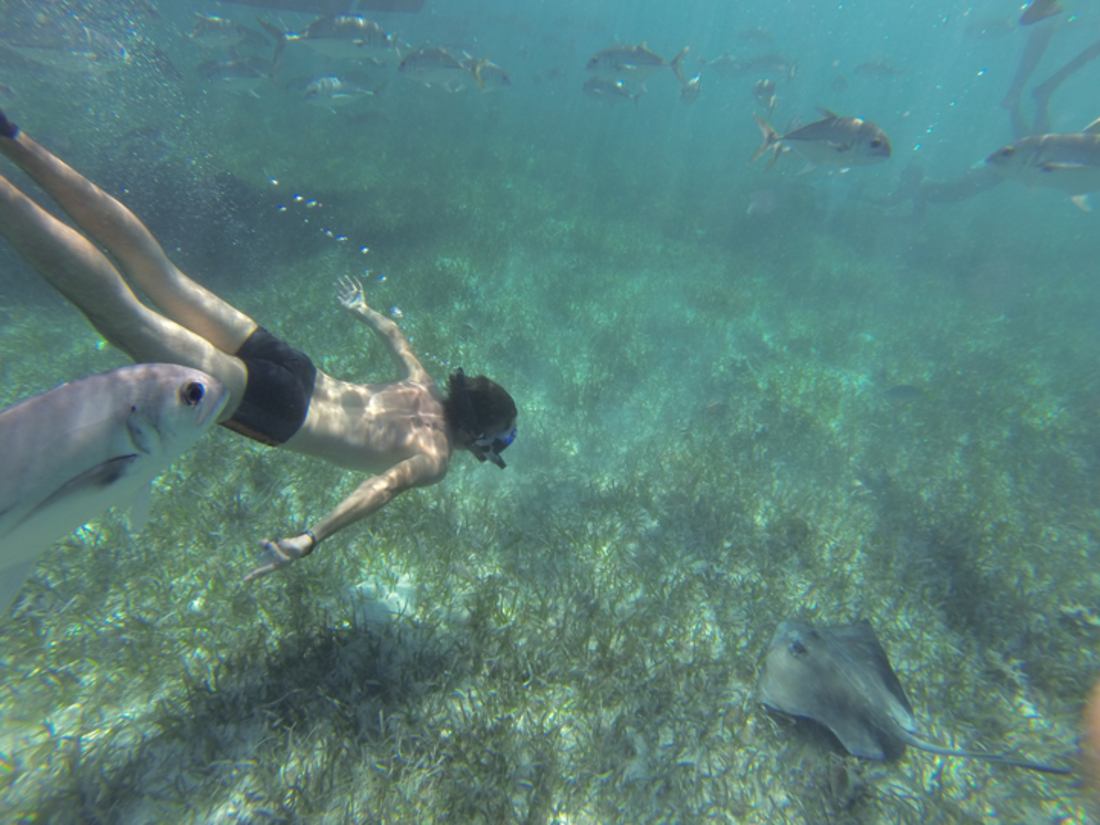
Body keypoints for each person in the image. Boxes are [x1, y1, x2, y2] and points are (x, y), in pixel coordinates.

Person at [0, 110, 517, 582]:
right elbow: (382, 488)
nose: (490, 451)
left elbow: (395, 336)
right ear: (477, 433)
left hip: (295, 366)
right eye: (496, 442)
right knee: (123, 315)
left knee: (160, 274)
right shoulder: (434, 458)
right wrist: (310, 538)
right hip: (279, 409)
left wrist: (363, 309)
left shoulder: (422, 383)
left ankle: (13, 138)